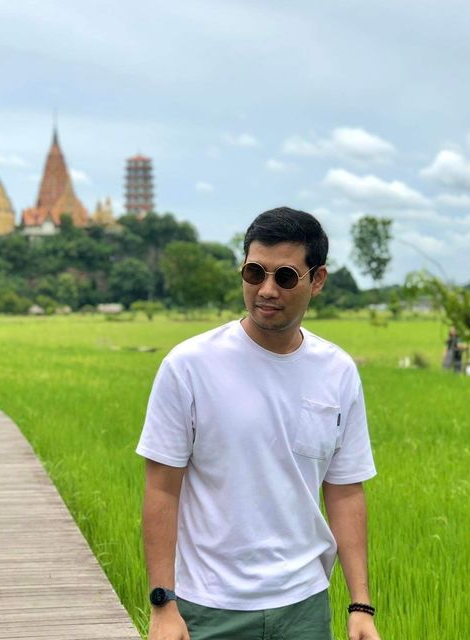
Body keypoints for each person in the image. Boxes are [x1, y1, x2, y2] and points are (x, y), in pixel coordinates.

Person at [137, 207, 380, 640]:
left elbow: (344, 491)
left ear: (317, 280)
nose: (266, 290)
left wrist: (360, 605)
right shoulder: (189, 365)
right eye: (254, 273)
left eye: (285, 277)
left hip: (304, 607)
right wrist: (162, 603)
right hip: (209, 607)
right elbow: (161, 488)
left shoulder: (337, 371)